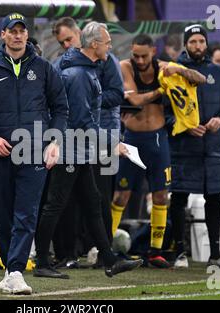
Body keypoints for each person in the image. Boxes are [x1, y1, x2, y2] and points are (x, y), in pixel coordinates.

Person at [0, 12, 69, 294]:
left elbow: (61, 108)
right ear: (3, 35)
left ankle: (15, 271)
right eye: (12, 31)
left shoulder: (45, 69)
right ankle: (10, 269)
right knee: (4, 215)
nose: (18, 35)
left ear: (26, 35)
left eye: (22, 31)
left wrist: (54, 142)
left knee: (26, 213)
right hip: (0, 154)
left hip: (33, 153)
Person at [33, 22, 143, 280]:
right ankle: (41, 261)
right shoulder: (81, 75)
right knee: (55, 205)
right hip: (71, 149)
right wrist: (112, 142)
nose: (110, 46)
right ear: (94, 45)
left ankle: (109, 260)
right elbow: (83, 121)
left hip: (79, 148)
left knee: (93, 203)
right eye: (106, 42)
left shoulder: (83, 69)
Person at [111, 34, 206, 268]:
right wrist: (161, 89)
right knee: (121, 194)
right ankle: (106, 248)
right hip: (132, 139)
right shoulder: (125, 66)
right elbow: (135, 101)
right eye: (136, 55)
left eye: (144, 55)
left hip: (157, 138)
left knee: (161, 195)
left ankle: (155, 251)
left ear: (153, 51)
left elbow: (201, 79)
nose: (140, 60)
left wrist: (181, 72)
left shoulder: (165, 67)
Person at [50, 17, 124, 268]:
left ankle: (103, 253)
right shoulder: (68, 67)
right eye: (62, 42)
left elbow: (117, 95)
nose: (67, 45)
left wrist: (94, 98)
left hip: (97, 137)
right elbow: (64, 104)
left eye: (69, 39)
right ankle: (63, 254)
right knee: (67, 201)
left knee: (97, 198)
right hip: (79, 140)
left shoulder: (104, 61)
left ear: (80, 34)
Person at [167, 24, 220, 269]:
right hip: (182, 146)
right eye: (192, 41)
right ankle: (179, 252)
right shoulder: (174, 71)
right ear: (185, 44)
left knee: (214, 199)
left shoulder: (219, 74)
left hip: (213, 148)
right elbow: (164, 113)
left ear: (206, 44)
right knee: (178, 197)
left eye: (201, 41)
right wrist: (184, 126)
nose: (197, 46)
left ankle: (216, 254)